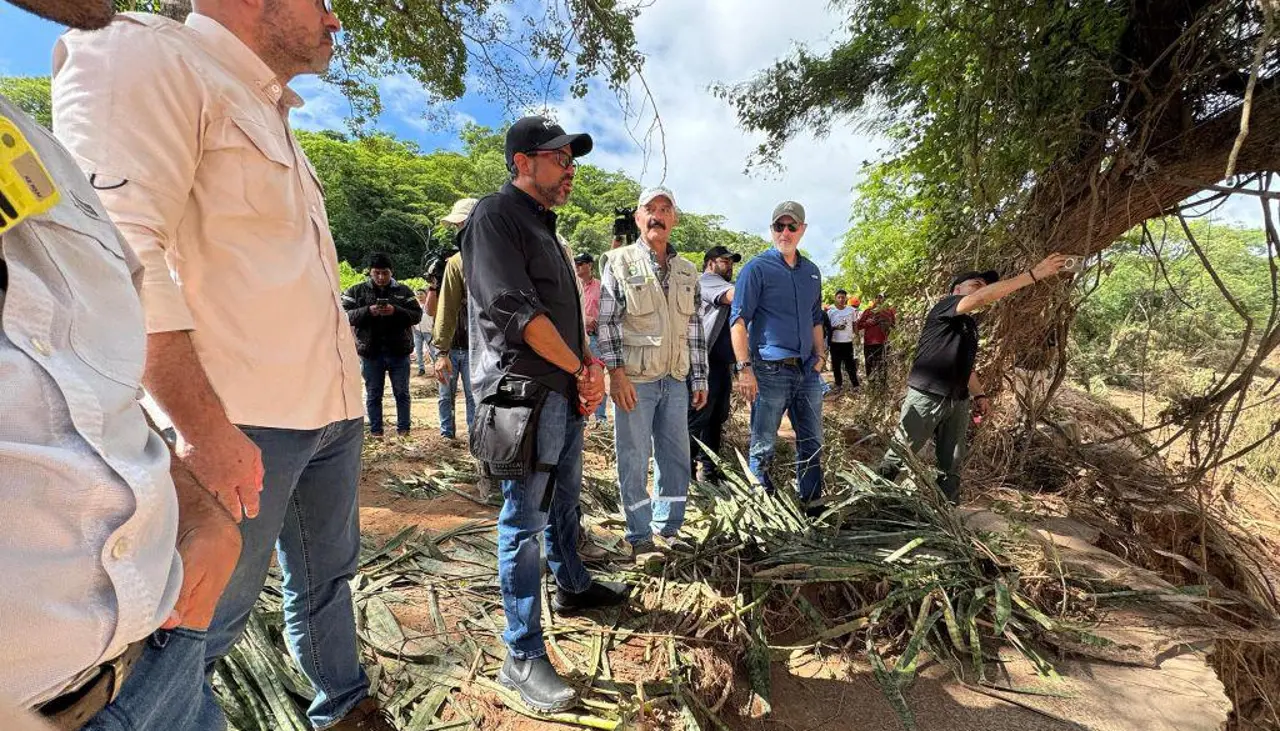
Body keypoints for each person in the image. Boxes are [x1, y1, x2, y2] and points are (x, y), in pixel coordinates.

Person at [53, 3, 393, 727]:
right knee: (196, 627)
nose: (334, 19)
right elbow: (116, 253)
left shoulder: (270, 113)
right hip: (240, 423)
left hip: (329, 414)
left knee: (327, 579)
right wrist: (202, 428)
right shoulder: (146, 54)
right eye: (319, 0)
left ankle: (344, 704)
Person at [3, 2, 240, 729]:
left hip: (160, 672)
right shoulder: (126, 71)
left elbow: (84, 385)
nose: (332, 20)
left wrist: (191, 497)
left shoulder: (37, 151)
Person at [463, 116, 628, 713]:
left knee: (565, 500)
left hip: (562, 390)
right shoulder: (495, 217)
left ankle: (574, 586)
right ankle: (522, 652)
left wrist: (587, 364)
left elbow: (567, 318)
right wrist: (579, 369)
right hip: (524, 395)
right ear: (522, 162)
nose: (570, 169)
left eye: (572, 159)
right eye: (559, 158)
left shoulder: (546, 229)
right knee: (523, 521)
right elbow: (514, 311)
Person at [877, 256, 1068, 503]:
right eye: (976, 284)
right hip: (927, 395)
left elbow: (967, 367)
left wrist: (979, 394)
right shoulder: (944, 307)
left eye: (984, 285)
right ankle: (872, 499)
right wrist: (1033, 275)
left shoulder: (969, 325)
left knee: (952, 461)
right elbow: (981, 298)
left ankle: (947, 510)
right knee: (901, 453)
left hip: (958, 401)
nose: (982, 289)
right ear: (957, 290)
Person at [598, 187, 708, 566]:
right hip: (637, 379)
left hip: (676, 378)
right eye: (650, 209)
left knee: (676, 457)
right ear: (638, 218)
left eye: (665, 209)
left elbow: (693, 328)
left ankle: (670, 528)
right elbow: (608, 324)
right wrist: (616, 375)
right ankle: (640, 536)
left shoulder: (687, 270)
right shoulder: (618, 262)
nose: (658, 215)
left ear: (675, 218)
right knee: (633, 456)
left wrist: (700, 378)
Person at [729, 201, 826, 505]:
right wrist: (744, 368)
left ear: (802, 230)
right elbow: (739, 320)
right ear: (772, 230)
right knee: (763, 443)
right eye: (778, 226)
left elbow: (815, 318)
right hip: (770, 370)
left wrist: (821, 356)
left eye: (791, 226)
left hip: (807, 371)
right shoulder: (757, 268)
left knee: (812, 441)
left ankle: (811, 503)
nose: (785, 232)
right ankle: (764, 507)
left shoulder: (811, 272)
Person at [343, 252, 424, 438]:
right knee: (373, 395)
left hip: (399, 352)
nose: (381, 277)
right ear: (370, 273)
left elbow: (417, 315)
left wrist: (395, 311)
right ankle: (376, 432)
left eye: (385, 273)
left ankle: (404, 431)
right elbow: (343, 315)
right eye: (377, 273)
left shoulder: (404, 291)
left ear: (391, 272)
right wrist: (367, 311)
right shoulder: (356, 291)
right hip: (371, 353)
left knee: (402, 393)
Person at [688, 245, 741, 483]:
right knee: (698, 416)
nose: (729, 266)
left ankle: (709, 471)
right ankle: (685, 471)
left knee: (716, 418)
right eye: (724, 261)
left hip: (722, 365)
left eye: (731, 262)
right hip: (704, 364)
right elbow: (735, 296)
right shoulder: (707, 280)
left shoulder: (721, 282)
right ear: (710, 263)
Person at [432, 198, 480, 440]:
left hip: (479, 350)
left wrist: (440, 351)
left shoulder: (458, 263)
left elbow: (446, 310)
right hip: (505, 353)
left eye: (460, 226)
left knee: (477, 399)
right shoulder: (511, 253)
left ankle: (479, 444)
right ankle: (477, 442)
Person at [576, 252, 610, 424]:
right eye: (576, 263)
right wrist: (585, 319)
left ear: (590, 265)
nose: (578, 266)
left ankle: (600, 418)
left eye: (582, 263)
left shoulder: (601, 286)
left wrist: (593, 320)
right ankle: (583, 417)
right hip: (577, 338)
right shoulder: (574, 286)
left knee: (595, 378)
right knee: (580, 378)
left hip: (595, 338)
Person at [858, 292, 896, 386]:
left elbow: (894, 326)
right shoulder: (868, 311)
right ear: (874, 299)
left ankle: (883, 387)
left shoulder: (889, 311)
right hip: (869, 343)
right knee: (869, 365)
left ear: (884, 300)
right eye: (877, 298)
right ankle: (872, 385)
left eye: (881, 298)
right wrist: (868, 322)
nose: (879, 300)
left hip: (883, 343)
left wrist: (887, 324)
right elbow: (859, 325)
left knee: (883, 365)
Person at [827, 289, 860, 391]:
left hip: (847, 342)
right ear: (835, 298)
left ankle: (855, 385)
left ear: (846, 299)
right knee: (836, 365)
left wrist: (857, 336)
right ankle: (838, 385)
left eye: (843, 297)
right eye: (839, 297)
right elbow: (827, 328)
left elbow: (855, 324)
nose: (841, 299)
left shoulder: (851, 310)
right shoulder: (830, 312)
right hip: (835, 343)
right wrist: (836, 327)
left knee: (850, 364)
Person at [414, 286, 437, 376]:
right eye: (418, 294)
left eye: (421, 294)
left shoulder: (429, 305)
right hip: (417, 332)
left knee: (432, 350)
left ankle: (436, 367)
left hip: (428, 331)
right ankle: (421, 369)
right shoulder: (415, 306)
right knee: (418, 351)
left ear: (426, 295)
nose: (419, 295)